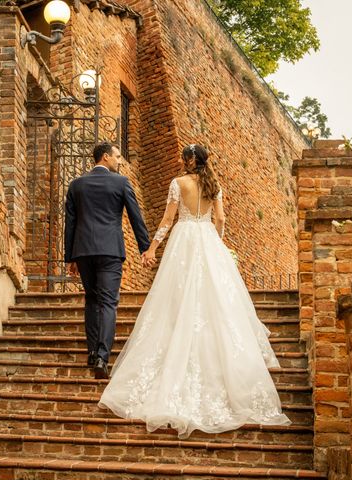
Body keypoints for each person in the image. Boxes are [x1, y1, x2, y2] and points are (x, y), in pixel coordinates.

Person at [98, 144, 291, 438]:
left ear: (189, 161)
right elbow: (221, 220)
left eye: (182, 157)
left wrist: (152, 249)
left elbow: (167, 220)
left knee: (174, 300)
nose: (179, 160)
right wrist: (217, 244)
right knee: (216, 304)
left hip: (184, 240)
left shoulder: (178, 184)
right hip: (207, 239)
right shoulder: (215, 186)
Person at [64, 142, 152, 380]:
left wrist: (70, 257)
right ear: (105, 157)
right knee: (108, 302)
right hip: (110, 250)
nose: (120, 161)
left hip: (83, 250)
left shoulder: (76, 185)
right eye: (117, 156)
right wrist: (146, 247)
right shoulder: (121, 183)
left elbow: (70, 223)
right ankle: (103, 356)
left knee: (91, 300)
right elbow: (136, 217)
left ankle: (92, 352)